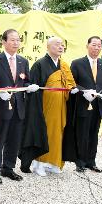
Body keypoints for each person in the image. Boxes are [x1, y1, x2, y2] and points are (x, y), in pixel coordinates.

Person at [0, 29, 38, 185]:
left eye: (18, 40)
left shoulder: (23, 61)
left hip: (18, 107)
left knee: (14, 140)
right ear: (4, 41)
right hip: (2, 106)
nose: (16, 43)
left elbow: (25, 81)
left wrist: (30, 86)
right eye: (12, 40)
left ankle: (8, 168)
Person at [19, 37, 76, 176]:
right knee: (44, 133)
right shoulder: (39, 64)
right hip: (45, 106)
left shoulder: (64, 65)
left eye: (62, 45)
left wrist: (72, 88)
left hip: (61, 106)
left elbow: (70, 83)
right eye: (57, 44)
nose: (61, 47)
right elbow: (33, 86)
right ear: (48, 47)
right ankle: (39, 163)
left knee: (58, 133)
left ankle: (53, 162)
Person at [62, 36, 102, 173]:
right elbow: (72, 83)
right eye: (94, 45)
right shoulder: (77, 63)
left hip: (98, 106)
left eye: (99, 46)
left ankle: (91, 162)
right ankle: (80, 162)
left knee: (93, 134)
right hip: (83, 104)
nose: (97, 48)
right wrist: (83, 91)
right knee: (82, 134)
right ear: (87, 46)